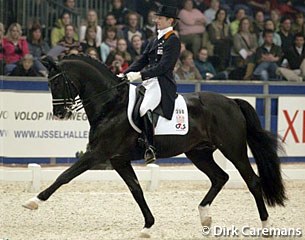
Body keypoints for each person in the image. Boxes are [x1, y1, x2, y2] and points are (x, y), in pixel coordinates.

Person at [123, 4, 181, 164]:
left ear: (170, 21)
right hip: (149, 81)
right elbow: (142, 60)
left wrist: (140, 75)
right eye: (157, 18)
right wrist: (125, 74)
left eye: (160, 18)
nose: (157, 20)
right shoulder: (154, 40)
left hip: (162, 84)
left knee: (144, 108)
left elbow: (164, 67)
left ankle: (150, 147)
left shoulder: (173, 40)